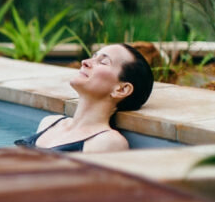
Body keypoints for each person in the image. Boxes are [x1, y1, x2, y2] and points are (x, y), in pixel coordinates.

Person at [15, 43, 154, 153]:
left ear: (121, 89)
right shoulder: (50, 123)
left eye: (103, 62)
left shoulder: (107, 142)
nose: (85, 62)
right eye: (93, 57)